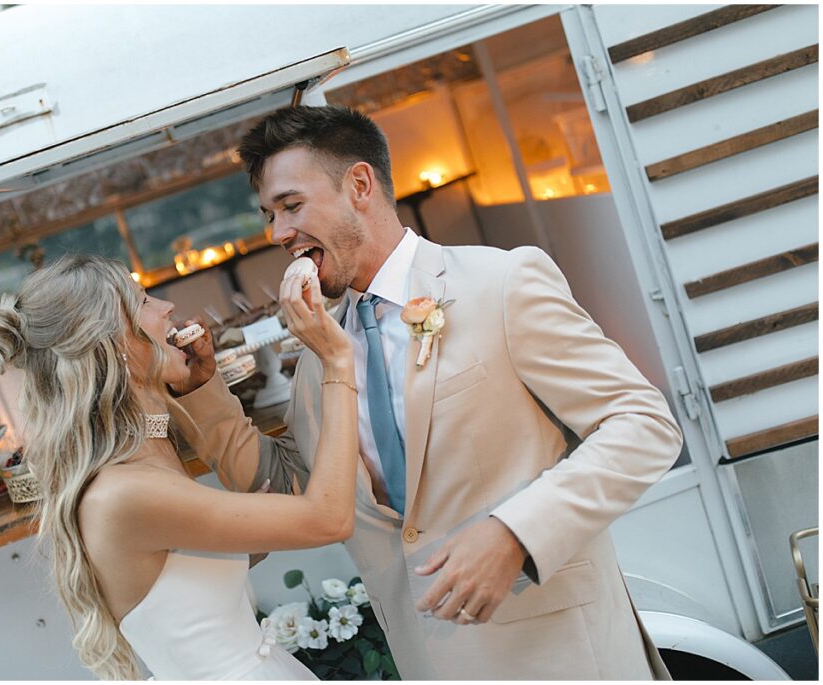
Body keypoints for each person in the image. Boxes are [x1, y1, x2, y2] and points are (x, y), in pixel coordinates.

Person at [172, 106, 684, 680]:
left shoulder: (501, 283)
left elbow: (643, 424)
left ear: (359, 186)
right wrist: (204, 393)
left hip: (564, 658)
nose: (278, 233)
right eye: (270, 215)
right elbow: (289, 488)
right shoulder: (323, 357)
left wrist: (515, 531)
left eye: (291, 206)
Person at [0, 254, 359, 680]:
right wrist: (338, 363)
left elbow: (184, 583)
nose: (167, 308)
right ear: (113, 344)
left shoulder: (146, 453)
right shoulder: (124, 492)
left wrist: (200, 389)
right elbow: (330, 518)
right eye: (143, 301)